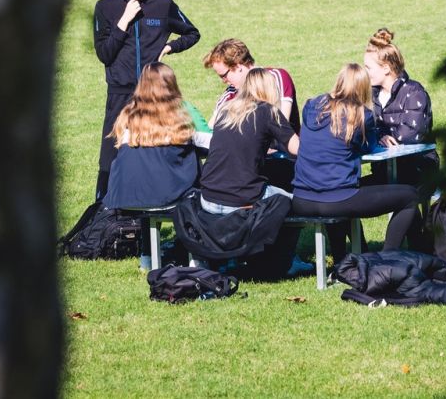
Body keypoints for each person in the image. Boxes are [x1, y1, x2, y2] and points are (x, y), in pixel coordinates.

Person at [92, 0, 200, 200]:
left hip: (155, 93)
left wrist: (170, 47)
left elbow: (192, 33)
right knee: (111, 157)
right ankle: (104, 212)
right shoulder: (105, 7)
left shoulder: (163, 4)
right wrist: (124, 22)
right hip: (120, 93)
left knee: (159, 151)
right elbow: (105, 54)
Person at [291, 64, 419, 263]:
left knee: (344, 189)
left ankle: (347, 259)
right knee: (409, 196)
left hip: (301, 198)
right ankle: (384, 263)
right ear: (363, 88)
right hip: (335, 199)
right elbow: (367, 148)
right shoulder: (362, 115)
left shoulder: (311, 106)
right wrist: (379, 137)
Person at [188, 68, 302, 276]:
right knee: (297, 202)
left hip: (208, 198)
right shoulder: (269, 111)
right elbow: (298, 149)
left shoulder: (227, 110)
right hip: (241, 198)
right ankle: (284, 260)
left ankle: (232, 258)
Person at [99, 63, 199, 211]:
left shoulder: (126, 117)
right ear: (171, 87)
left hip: (123, 196)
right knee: (192, 154)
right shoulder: (177, 120)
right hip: (165, 197)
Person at [362, 28, 438, 189]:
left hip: (418, 171)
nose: (365, 73)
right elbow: (362, 128)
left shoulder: (414, 92)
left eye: (368, 67)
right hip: (385, 170)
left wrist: (380, 136)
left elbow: (411, 134)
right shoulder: (371, 95)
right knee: (350, 190)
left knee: (406, 201)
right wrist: (380, 135)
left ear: (386, 68)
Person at [203, 38, 298, 129]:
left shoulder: (276, 77)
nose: (223, 81)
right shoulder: (230, 95)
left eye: (224, 75)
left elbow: (282, 125)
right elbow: (210, 131)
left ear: (237, 66)